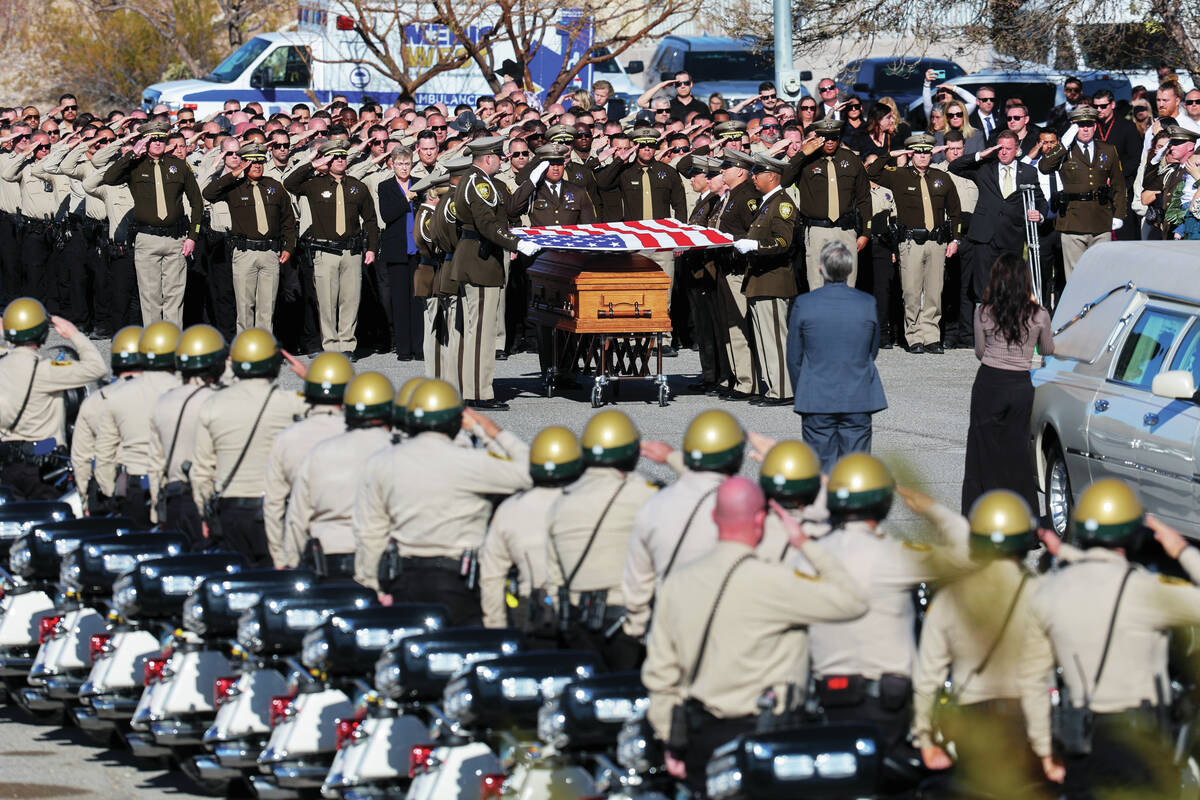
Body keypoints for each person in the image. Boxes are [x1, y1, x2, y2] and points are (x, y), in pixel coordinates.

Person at [642, 475, 868, 797]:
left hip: (701, 735)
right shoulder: (774, 583)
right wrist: (804, 543)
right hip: (768, 740)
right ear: (760, 521)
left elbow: (661, 674)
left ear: (713, 518)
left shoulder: (678, 585)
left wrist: (670, 739)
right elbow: (852, 601)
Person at [1019, 479, 1200, 796]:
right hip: (1141, 745)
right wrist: (1182, 550)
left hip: (1081, 741)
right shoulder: (1146, 591)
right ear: (1133, 534)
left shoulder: (1047, 593)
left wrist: (1045, 750)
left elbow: (1032, 681)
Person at [808, 455, 972, 770]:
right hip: (885, 708)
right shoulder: (894, 557)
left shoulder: (809, 557)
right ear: (882, 503)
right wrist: (933, 510)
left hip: (826, 706)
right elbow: (968, 555)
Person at [353, 379, 531, 625]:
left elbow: (370, 534)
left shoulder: (382, 463)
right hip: (458, 581)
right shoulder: (472, 463)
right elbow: (530, 471)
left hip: (404, 579)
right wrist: (489, 432)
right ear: (456, 422)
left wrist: (373, 587)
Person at [912, 490, 1048, 798]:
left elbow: (928, 676)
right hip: (1026, 715)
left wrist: (924, 737)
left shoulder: (952, 597)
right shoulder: (1042, 594)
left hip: (974, 718)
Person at [543, 410, 659, 670]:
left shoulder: (562, 500)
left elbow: (554, 576)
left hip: (575, 624)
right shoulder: (643, 495)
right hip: (627, 624)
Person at [622, 410, 745, 640]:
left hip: (672, 629)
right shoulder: (749, 508)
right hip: (732, 629)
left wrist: (637, 633)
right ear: (738, 458)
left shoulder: (654, 506)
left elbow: (637, 584)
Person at [190, 328, 309, 564]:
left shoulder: (212, 405)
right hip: (272, 511)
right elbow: (338, 410)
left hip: (229, 511)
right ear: (275, 363)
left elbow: (201, 471)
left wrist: (205, 516)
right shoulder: (289, 403)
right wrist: (311, 376)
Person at [447, 137, 539, 410]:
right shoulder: (480, 183)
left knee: (472, 330)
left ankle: (467, 388)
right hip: (480, 259)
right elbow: (487, 224)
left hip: (474, 256)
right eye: (499, 156)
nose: (502, 160)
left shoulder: (473, 180)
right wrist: (516, 243)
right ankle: (479, 392)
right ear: (488, 158)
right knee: (482, 333)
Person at [962, 252, 1054, 511]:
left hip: (990, 381)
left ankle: (978, 513)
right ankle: (1023, 518)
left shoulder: (983, 311)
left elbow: (980, 351)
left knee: (982, 450)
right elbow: (1047, 349)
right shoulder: (1039, 314)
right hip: (1020, 384)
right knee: (1016, 452)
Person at [786, 241, 887, 471]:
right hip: (858, 395)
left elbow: (794, 357)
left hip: (817, 397)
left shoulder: (805, 303)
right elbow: (871, 350)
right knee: (856, 469)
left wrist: (802, 389)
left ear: (821, 269)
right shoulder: (867, 303)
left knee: (821, 471)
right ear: (849, 270)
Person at [282, 371, 393, 579]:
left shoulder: (321, 451)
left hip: (328, 555)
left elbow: (297, 516)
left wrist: (291, 563)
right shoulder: (394, 451)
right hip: (379, 558)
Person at [478, 425, 583, 642]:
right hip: (583, 615)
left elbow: (491, 577)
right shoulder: (591, 506)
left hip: (531, 614)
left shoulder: (510, 510)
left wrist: (496, 630)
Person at [947, 131, 1046, 348]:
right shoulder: (984, 168)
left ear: (1017, 149)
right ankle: (986, 336)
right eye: (1000, 148)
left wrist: (1039, 213)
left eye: (1008, 148)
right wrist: (981, 155)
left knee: (1009, 288)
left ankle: (1006, 334)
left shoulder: (1027, 172)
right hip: (984, 236)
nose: (1003, 152)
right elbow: (955, 166)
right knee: (984, 290)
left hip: (1012, 236)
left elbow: (1039, 199)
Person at [0, 299, 106, 499]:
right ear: (43, 334)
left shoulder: (3, 366)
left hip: (8, 466)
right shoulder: (47, 371)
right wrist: (74, 334)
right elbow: (97, 367)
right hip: (44, 465)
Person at [284, 139, 380, 356]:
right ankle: (330, 344)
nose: (339, 160)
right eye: (334, 157)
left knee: (350, 299)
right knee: (326, 302)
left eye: (342, 156)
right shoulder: (314, 184)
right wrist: (313, 163)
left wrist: (372, 248)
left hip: (351, 251)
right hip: (325, 252)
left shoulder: (358, 186)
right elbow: (289, 183)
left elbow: (371, 220)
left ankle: (347, 344)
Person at [868, 133, 962, 354]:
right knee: (910, 291)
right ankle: (914, 336)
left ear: (931, 154)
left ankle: (931, 337)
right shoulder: (899, 175)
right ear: (911, 154)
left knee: (934, 292)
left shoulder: (942, 177)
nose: (922, 156)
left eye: (926, 152)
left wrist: (955, 239)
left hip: (937, 242)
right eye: (917, 152)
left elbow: (955, 211)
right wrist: (891, 154)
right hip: (911, 242)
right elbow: (872, 172)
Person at [101, 121, 202, 326]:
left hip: (176, 239)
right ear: (144, 141)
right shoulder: (135, 165)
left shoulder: (179, 165)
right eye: (152, 139)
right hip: (147, 239)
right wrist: (132, 154)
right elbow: (109, 178)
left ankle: (173, 341)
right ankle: (155, 343)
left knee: (174, 295)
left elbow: (197, 203)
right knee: (150, 296)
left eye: (161, 139)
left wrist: (192, 237)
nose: (157, 143)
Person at [263, 351, 352, 567]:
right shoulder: (360, 438)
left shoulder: (288, 438)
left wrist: (283, 559)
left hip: (311, 547)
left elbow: (278, 506)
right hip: (358, 551)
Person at [93, 321, 181, 527]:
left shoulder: (118, 396)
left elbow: (104, 452)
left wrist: (108, 493)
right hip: (174, 488)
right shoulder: (184, 393)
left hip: (133, 486)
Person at [201, 142, 297, 333]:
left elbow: (288, 220)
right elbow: (208, 193)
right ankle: (246, 346)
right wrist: (235, 173)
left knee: (267, 306)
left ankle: (264, 347)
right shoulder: (234, 187)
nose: (257, 165)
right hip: (244, 253)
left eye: (260, 161)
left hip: (270, 252)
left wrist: (288, 247)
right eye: (252, 161)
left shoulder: (274, 186)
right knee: (245, 306)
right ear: (244, 163)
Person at [149, 323, 226, 549]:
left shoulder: (164, 401)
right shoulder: (217, 402)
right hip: (205, 501)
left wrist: (158, 511)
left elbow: (156, 464)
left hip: (173, 500)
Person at [731, 153, 798, 405]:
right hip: (760, 279)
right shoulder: (766, 203)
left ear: (771, 176)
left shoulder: (782, 204)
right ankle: (772, 387)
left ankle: (783, 391)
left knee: (775, 340)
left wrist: (755, 245)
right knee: (763, 339)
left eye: (758, 173)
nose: (753, 178)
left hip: (773, 279)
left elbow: (783, 241)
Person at [783, 118, 872, 289]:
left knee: (848, 284)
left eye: (834, 137)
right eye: (825, 138)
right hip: (817, 230)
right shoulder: (807, 160)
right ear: (817, 137)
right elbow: (785, 180)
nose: (830, 142)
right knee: (817, 284)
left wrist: (866, 233)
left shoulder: (851, 159)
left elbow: (864, 198)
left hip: (846, 230)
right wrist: (802, 153)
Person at [1038, 106, 1126, 277]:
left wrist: (1119, 214)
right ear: (1073, 126)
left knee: (1101, 273)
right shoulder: (1064, 150)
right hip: (1073, 220)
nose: (1085, 129)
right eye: (1080, 125)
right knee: (1075, 274)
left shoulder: (1108, 149)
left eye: (1089, 124)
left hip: (1101, 219)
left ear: (1095, 126)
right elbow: (1044, 166)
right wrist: (1063, 144)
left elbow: (1119, 185)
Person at [71, 325, 142, 515]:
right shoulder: (161, 397)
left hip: (107, 490)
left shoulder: (94, 402)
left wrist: (86, 499)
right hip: (147, 489)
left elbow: (81, 458)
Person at [377, 148, 421, 361]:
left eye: (407, 164)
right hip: (397, 250)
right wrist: (406, 199)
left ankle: (419, 347)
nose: (404, 168)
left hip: (418, 249)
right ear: (392, 165)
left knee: (418, 299)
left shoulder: (421, 183)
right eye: (400, 164)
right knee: (400, 300)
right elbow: (387, 215)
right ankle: (403, 349)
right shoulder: (385, 187)